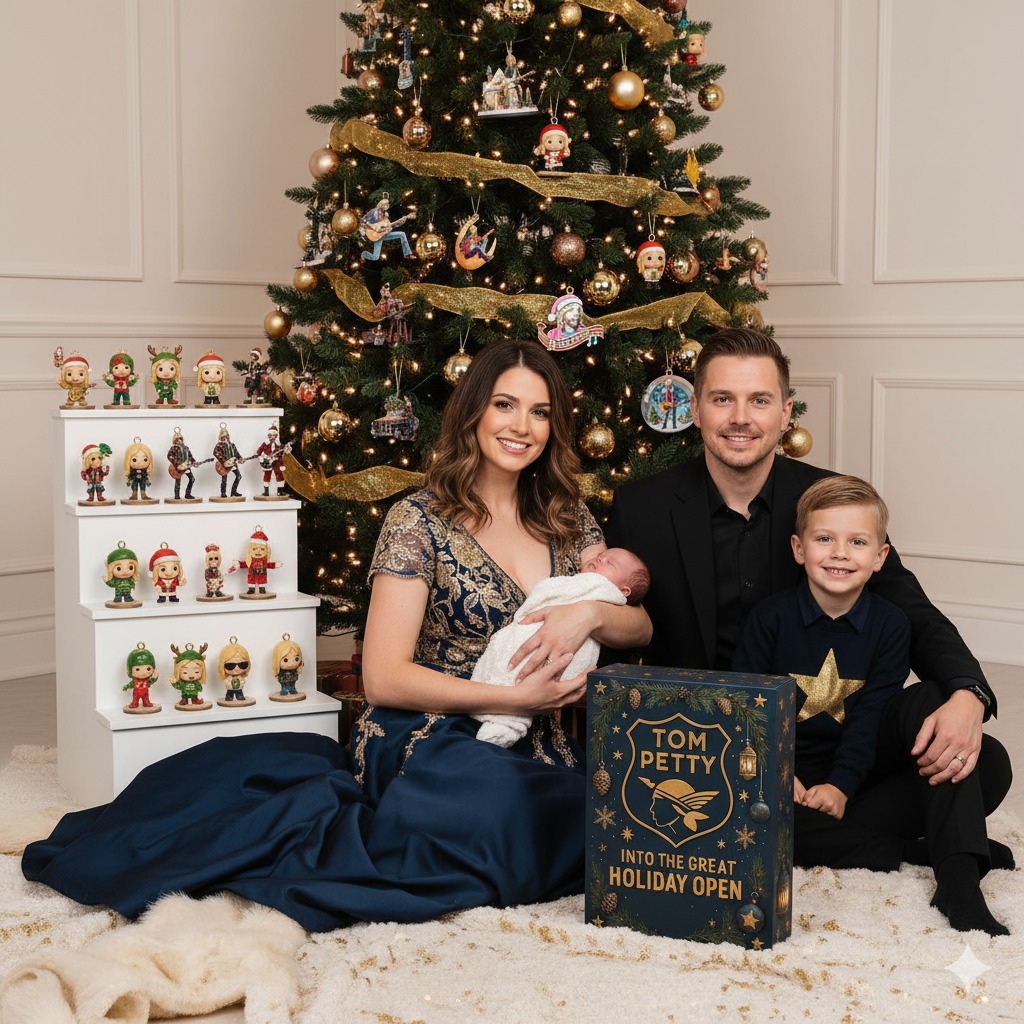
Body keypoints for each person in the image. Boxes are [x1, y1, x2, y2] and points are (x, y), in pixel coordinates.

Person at [23, 339, 651, 933]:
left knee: (611, 813)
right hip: (433, 729)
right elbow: (383, 677)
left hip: (544, 737)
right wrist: (513, 700)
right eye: (505, 404)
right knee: (496, 817)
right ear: (474, 413)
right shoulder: (418, 520)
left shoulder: (568, 518)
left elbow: (640, 622)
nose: (521, 426)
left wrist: (588, 616)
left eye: (540, 412)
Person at [604, 327, 1013, 935]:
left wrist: (965, 695)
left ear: (785, 411)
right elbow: (617, 617)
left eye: (760, 400)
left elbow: (914, 611)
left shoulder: (828, 504)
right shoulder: (641, 506)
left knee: (981, 759)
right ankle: (902, 849)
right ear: (695, 408)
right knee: (703, 812)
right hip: (724, 750)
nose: (741, 418)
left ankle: (950, 881)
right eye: (722, 399)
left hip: (847, 738)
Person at [473, 547, 650, 747]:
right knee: (508, 662)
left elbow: (644, 629)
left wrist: (589, 613)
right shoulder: (585, 581)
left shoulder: (603, 590)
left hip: (563, 658)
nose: (599, 560)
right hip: (478, 687)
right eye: (600, 556)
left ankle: (506, 723)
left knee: (525, 668)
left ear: (624, 591)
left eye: (609, 563)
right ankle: (500, 712)